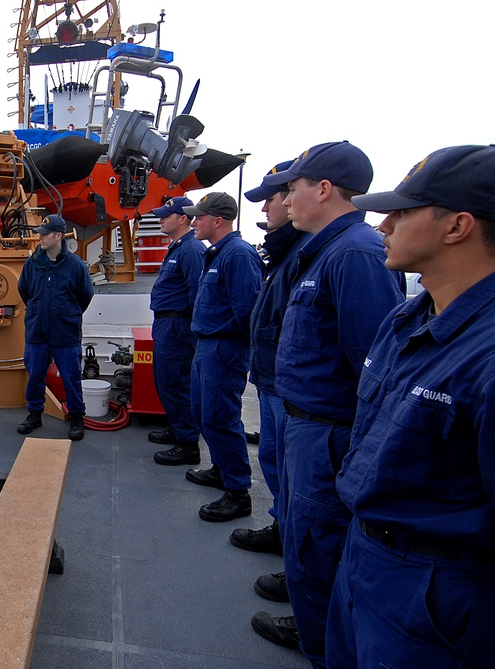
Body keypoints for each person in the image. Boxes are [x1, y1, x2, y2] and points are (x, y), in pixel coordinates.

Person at [326, 145, 495, 669]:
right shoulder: (408, 320)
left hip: (434, 591)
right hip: (365, 558)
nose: (384, 224)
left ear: (457, 226)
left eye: (403, 211)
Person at [251, 142, 403, 665]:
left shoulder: (354, 254)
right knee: (305, 539)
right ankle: (314, 628)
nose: (285, 200)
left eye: (292, 188)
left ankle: (322, 645)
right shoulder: (325, 251)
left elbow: (374, 367)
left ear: (323, 189)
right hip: (305, 425)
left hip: (328, 432)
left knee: (321, 543)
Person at [231, 163, 310, 626]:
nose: (264, 207)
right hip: (274, 381)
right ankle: (285, 536)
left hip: (301, 396)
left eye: (275, 196)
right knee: (279, 466)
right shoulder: (290, 254)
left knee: (304, 486)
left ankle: (311, 604)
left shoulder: (339, 255)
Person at [182, 192, 262, 521]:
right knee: (204, 413)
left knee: (221, 417)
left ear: (218, 221)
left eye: (199, 217)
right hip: (207, 345)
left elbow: (248, 311)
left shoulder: (239, 255)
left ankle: (238, 492)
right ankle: (220, 467)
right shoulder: (217, 254)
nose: (193, 221)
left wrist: (235, 351)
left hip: (224, 347)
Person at [16, 214, 94, 441]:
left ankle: (77, 418)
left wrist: (65, 314)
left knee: (70, 377)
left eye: (44, 233)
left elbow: (85, 296)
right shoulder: (33, 263)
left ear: (58, 236)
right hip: (37, 330)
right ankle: (34, 414)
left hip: (65, 332)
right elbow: (25, 291)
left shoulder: (76, 266)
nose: (39, 236)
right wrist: (39, 311)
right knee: (35, 375)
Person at [145, 196, 206, 464]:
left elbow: (197, 294)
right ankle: (179, 427)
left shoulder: (191, 250)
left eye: (166, 215)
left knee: (176, 383)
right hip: (167, 324)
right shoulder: (178, 248)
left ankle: (188, 444)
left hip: (179, 326)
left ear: (183, 219)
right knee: (165, 382)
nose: (160, 219)